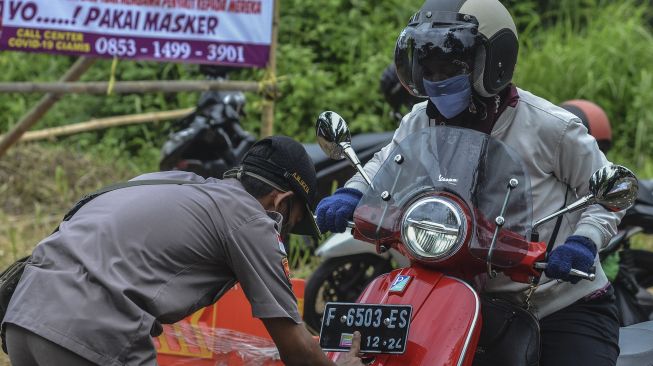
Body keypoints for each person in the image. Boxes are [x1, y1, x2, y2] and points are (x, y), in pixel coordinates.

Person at [316, 1, 623, 365]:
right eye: (426, 65)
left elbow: (611, 193)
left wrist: (582, 243)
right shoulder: (421, 119)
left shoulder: (549, 126)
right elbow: (386, 162)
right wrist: (351, 193)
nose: (435, 76)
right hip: (463, 298)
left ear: (493, 62)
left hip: (556, 302)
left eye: (450, 66)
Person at [2, 136, 364, 366]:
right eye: (290, 223)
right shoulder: (252, 220)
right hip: (91, 335)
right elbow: (297, 350)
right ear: (280, 201)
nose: (282, 235)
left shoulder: (161, 182)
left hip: (24, 318)